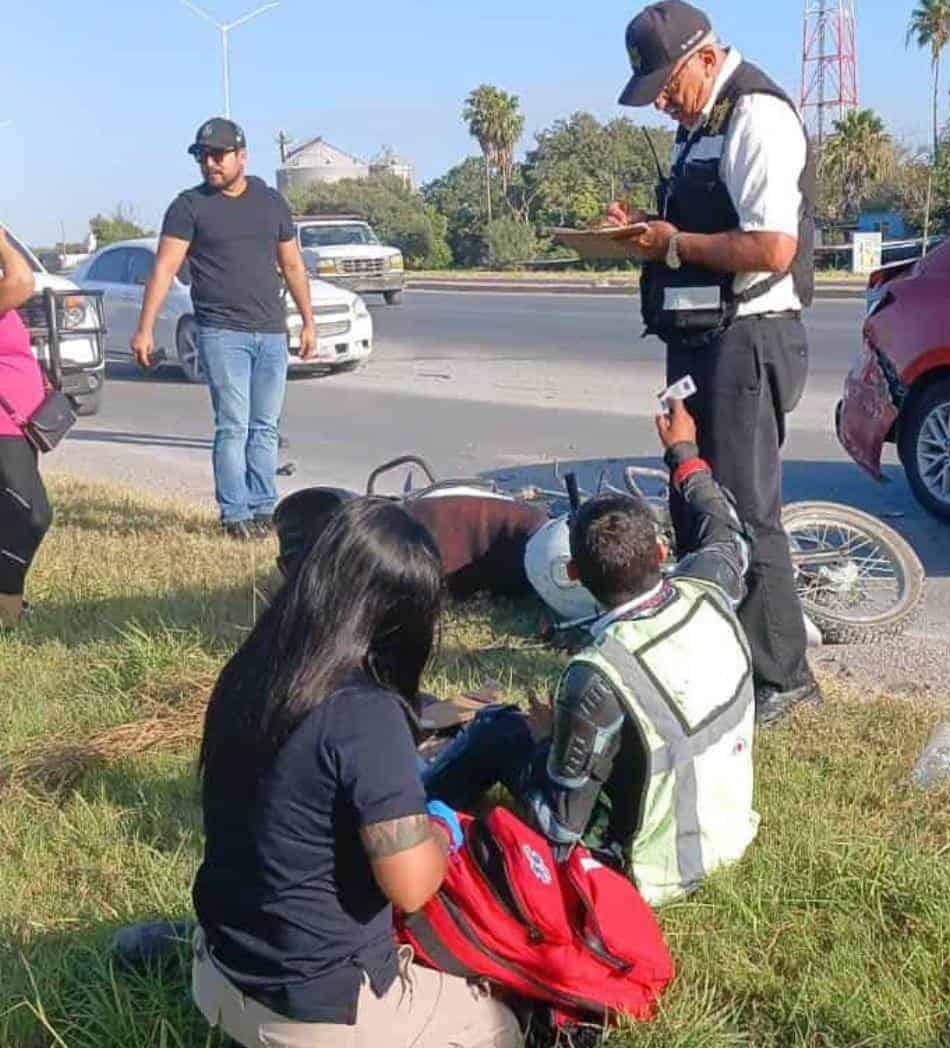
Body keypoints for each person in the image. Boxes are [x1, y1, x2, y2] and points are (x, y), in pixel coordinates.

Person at [190, 498, 521, 1047]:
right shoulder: (366, 715)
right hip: (312, 1013)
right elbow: (412, 886)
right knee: (500, 1023)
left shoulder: (254, 665)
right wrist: (439, 830)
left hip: (218, 973)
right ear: (404, 616)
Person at [422, 399, 760, 906]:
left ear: (575, 576)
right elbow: (725, 528)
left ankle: (406, 812)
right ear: (663, 554)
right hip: (731, 828)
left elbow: (557, 828)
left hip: (654, 871)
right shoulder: (710, 589)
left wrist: (543, 737)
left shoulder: (597, 675)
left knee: (498, 728)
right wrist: (683, 454)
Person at [605, 0, 820, 725]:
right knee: (691, 492)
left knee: (745, 511)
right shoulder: (700, 126)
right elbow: (699, 227)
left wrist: (672, 243)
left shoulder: (757, 115)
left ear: (705, 56)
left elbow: (771, 247)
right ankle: (716, 652)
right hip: (696, 335)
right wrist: (645, 233)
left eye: (668, 85)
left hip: (746, 340)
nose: (662, 101)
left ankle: (783, 676)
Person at [131, 118, 316, 539]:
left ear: (242, 156)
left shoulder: (271, 203)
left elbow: (291, 264)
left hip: (270, 331)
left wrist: (308, 321)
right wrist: (144, 329)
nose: (209, 164)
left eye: (218, 155)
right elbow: (164, 268)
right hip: (220, 332)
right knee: (233, 424)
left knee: (265, 426)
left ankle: (262, 508)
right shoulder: (188, 206)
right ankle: (235, 514)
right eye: (202, 156)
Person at [0, 226, 49, 630]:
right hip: (2, 425)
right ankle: (9, 609)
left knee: (13, 513)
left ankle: (9, 606)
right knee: (29, 515)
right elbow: (23, 281)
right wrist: (2, 241)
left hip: (17, 422)